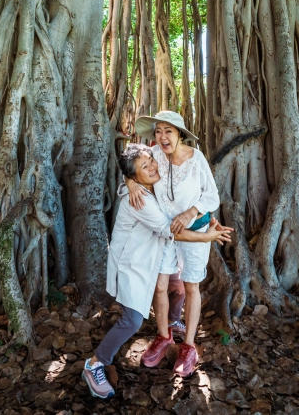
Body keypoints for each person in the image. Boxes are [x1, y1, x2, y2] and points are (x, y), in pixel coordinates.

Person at [82, 144, 232, 399]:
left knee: (176, 286)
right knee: (132, 320)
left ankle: (173, 323)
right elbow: (172, 230)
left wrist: (206, 216)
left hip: (150, 256)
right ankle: (95, 362)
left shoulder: (152, 178)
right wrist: (208, 236)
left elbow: (139, 164)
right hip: (132, 265)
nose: (153, 166)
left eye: (151, 161)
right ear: (134, 176)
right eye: (144, 167)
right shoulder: (140, 199)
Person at [126, 111, 234, 377]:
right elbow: (133, 167)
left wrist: (193, 211)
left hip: (195, 231)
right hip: (166, 233)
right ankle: (164, 337)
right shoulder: (154, 155)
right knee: (160, 286)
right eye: (159, 131)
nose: (162, 136)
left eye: (169, 131)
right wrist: (129, 181)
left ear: (180, 134)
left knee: (191, 286)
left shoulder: (196, 159)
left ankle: (188, 346)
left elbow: (212, 195)